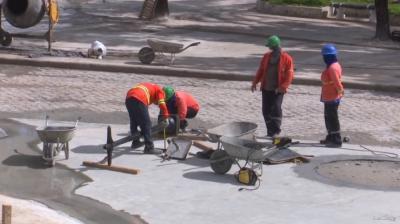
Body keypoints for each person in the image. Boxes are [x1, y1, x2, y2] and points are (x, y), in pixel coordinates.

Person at [251, 35, 294, 138]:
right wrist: (255, 82)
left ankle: (276, 130)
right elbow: (261, 70)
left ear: (275, 46)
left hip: (278, 89)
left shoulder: (286, 58)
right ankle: (270, 131)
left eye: (270, 46)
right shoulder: (266, 57)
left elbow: (290, 74)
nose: (269, 48)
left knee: (276, 108)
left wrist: (283, 86)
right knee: (265, 110)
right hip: (266, 87)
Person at [125, 82, 169, 153]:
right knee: (147, 124)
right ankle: (149, 147)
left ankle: (135, 142)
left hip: (129, 97)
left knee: (134, 121)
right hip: (139, 98)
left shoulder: (151, 86)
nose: (156, 104)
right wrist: (166, 115)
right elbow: (162, 103)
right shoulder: (160, 91)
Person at [319, 44, 344, 147]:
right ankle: (330, 137)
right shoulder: (334, 65)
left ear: (329, 57)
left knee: (332, 118)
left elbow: (337, 83)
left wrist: (340, 92)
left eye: (325, 56)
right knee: (328, 117)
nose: (324, 58)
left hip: (332, 97)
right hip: (329, 96)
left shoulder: (333, 68)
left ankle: (336, 140)